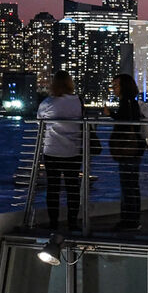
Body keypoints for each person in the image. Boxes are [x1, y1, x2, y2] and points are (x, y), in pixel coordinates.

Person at [36, 71, 85, 231]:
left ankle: (53, 222)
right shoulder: (78, 101)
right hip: (73, 149)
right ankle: (72, 222)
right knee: (73, 188)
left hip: (52, 149)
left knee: (53, 188)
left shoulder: (47, 102)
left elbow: (40, 122)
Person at [107, 73, 148, 232]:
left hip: (128, 148)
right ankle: (132, 218)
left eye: (116, 85)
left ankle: (129, 220)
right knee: (132, 185)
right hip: (135, 148)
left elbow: (124, 123)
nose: (114, 88)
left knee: (128, 185)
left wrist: (110, 115)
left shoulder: (126, 102)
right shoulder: (132, 102)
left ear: (124, 86)